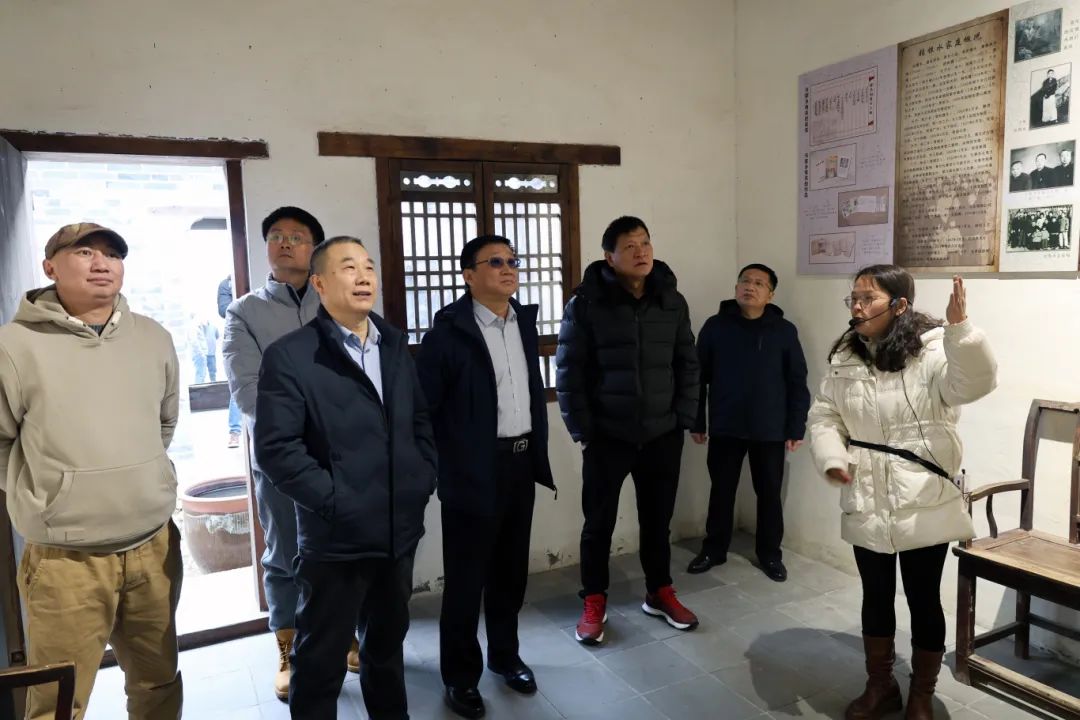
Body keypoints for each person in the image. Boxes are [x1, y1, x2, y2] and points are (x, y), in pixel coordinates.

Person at [0, 223, 182, 720]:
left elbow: (165, 421)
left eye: (112, 255)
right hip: (66, 559)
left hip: (153, 544)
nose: (102, 264)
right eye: (84, 252)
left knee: (158, 682)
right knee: (57, 701)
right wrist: (47, 496)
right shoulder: (14, 345)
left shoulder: (153, 337)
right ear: (50, 267)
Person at [255, 236, 437, 720]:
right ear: (319, 283)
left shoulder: (392, 343)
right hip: (336, 538)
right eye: (348, 267)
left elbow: (420, 419)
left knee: (387, 647)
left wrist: (421, 478)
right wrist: (336, 501)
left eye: (369, 267)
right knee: (321, 658)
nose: (363, 277)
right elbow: (276, 449)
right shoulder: (293, 354)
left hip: (397, 529)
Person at [807, 266, 997, 720]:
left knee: (923, 597)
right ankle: (881, 687)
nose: (857, 307)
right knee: (875, 595)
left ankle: (921, 695)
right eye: (853, 298)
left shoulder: (933, 350)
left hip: (922, 494)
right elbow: (825, 415)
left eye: (868, 298)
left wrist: (961, 331)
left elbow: (974, 384)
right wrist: (832, 456)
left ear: (900, 305)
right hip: (867, 493)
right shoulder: (846, 355)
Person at [222, 207, 361, 700]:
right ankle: (288, 647)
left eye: (297, 237)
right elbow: (249, 392)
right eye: (276, 236)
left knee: (344, 549)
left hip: (343, 458)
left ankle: (344, 633)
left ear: (315, 249)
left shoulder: (339, 302)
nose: (285, 243)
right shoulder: (244, 312)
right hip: (281, 459)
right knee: (284, 556)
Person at [416, 235, 556, 719]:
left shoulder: (522, 323)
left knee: (510, 572)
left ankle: (505, 655)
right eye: (494, 261)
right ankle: (460, 676)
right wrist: (443, 466)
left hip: (519, 462)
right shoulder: (448, 334)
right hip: (472, 470)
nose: (507, 268)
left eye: (512, 260)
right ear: (469, 275)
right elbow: (424, 411)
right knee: (465, 579)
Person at [556, 215, 700, 646]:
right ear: (609, 256)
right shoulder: (586, 304)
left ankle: (659, 591)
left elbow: (687, 363)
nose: (641, 252)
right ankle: (594, 599)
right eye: (630, 246)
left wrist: (682, 418)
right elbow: (569, 372)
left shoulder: (671, 300)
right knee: (597, 524)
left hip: (662, 434)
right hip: (608, 435)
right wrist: (584, 430)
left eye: (645, 243)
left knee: (658, 521)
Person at [687, 263, 810, 581]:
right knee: (721, 491)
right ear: (736, 287)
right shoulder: (715, 327)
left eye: (758, 283)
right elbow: (698, 378)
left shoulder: (783, 331)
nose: (750, 287)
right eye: (744, 281)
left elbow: (797, 381)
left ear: (770, 294)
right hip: (725, 425)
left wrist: (796, 426)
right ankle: (714, 549)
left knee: (769, 494)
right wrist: (697, 421)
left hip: (770, 428)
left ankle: (770, 554)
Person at [218, 276, 242, 447]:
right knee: (237, 385)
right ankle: (235, 432)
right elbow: (223, 310)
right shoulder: (225, 285)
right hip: (236, 340)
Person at [187, 314, 219, 383]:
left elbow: (217, 336)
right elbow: (194, 341)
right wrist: (201, 353)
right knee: (200, 375)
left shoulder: (201, 327)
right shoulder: (194, 327)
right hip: (200, 354)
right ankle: (198, 389)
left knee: (203, 374)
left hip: (206, 353)